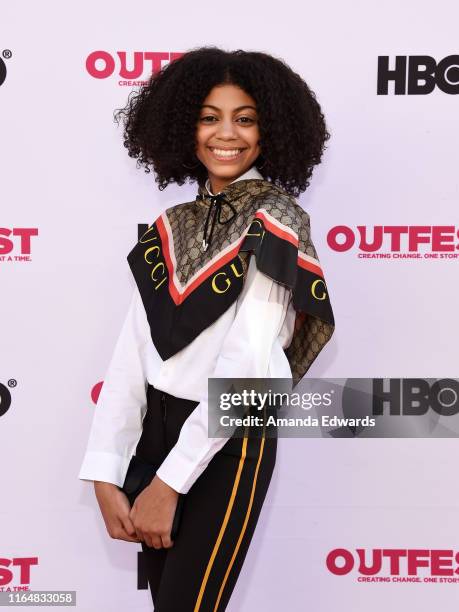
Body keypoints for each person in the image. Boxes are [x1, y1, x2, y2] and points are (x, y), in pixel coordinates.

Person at [78, 46, 335, 611]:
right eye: (208, 117)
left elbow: (246, 371)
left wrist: (167, 485)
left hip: (227, 444)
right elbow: (132, 353)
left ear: (272, 129)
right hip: (158, 433)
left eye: (245, 118)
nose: (228, 134)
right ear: (182, 127)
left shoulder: (277, 221)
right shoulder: (174, 224)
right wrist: (105, 469)